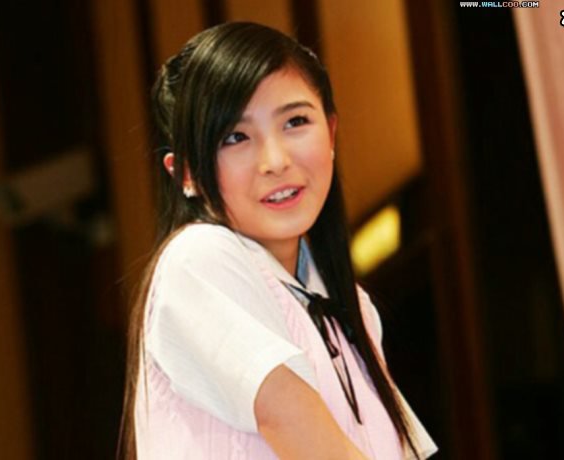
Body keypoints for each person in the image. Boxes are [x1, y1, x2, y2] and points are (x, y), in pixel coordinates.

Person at [120, 22, 437, 460]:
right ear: (186, 173)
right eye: (235, 137)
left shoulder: (350, 308)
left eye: (295, 121)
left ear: (331, 133)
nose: (275, 160)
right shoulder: (198, 261)